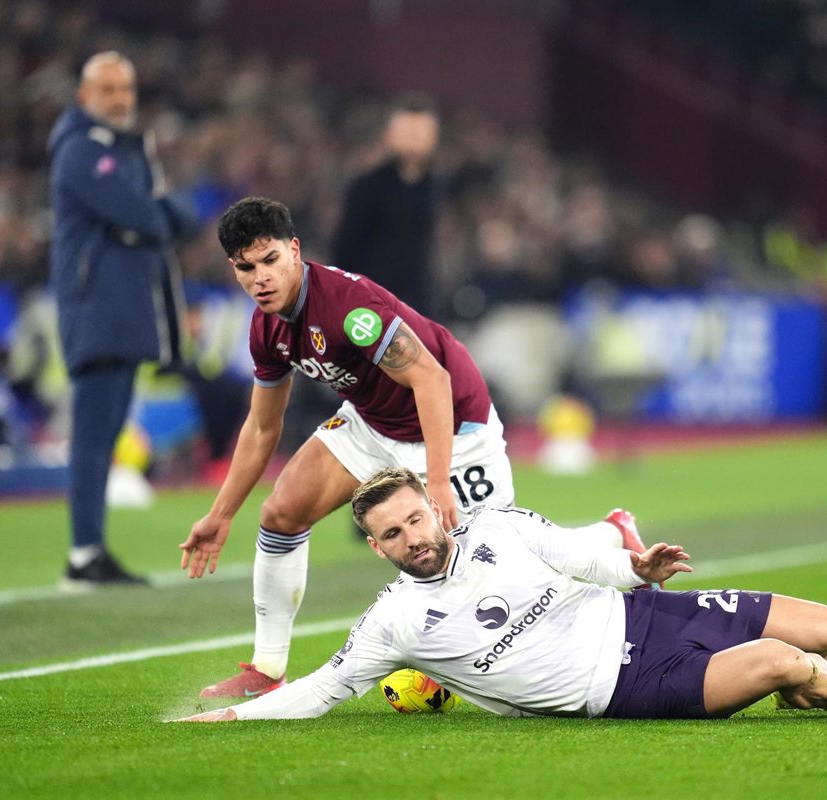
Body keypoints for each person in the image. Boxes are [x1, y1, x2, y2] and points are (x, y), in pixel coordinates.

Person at [178, 198, 638, 699]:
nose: (260, 278)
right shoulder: (266, 329)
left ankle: (612, 533)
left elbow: (432, 380)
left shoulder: (348, 308)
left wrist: (436, 482)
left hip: (453, 428)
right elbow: (262, 427)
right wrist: (221, 514)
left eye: (270, 260)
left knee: (501, 567)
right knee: (281, 513)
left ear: (294, 250)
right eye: (246, 268)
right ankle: (268, 670)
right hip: (372, 422)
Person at [174, 467, 827, 723]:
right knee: (782, 659)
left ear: (433, 511)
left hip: (647, 613)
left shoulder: (497, 525)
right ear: (377, 547)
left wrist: (639, 569)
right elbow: (320, 690)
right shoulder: (395, 622)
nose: (411, 536)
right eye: (392, 534)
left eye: (415, 518)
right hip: (628, 685)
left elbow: (588, 560)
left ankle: (808, 686)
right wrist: (233, 717)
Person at [49, 51, 197, 586]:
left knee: (105, 434)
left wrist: (158, 214)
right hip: (97, 309)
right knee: (93, 436)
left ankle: (90, 550)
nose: (119, 100)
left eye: (125, 89)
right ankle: (83, 553)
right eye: (107, 89)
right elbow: (143, 214)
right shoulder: (80, 150)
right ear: (83, 97)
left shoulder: (123, 149)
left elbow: (157, 216)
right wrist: (163, 213)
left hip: (124, 309)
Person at [330, 94, 441, 318]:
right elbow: (346, 245)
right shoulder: (368, 186)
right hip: (370, 297)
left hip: (415, 298)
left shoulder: (433, 187)